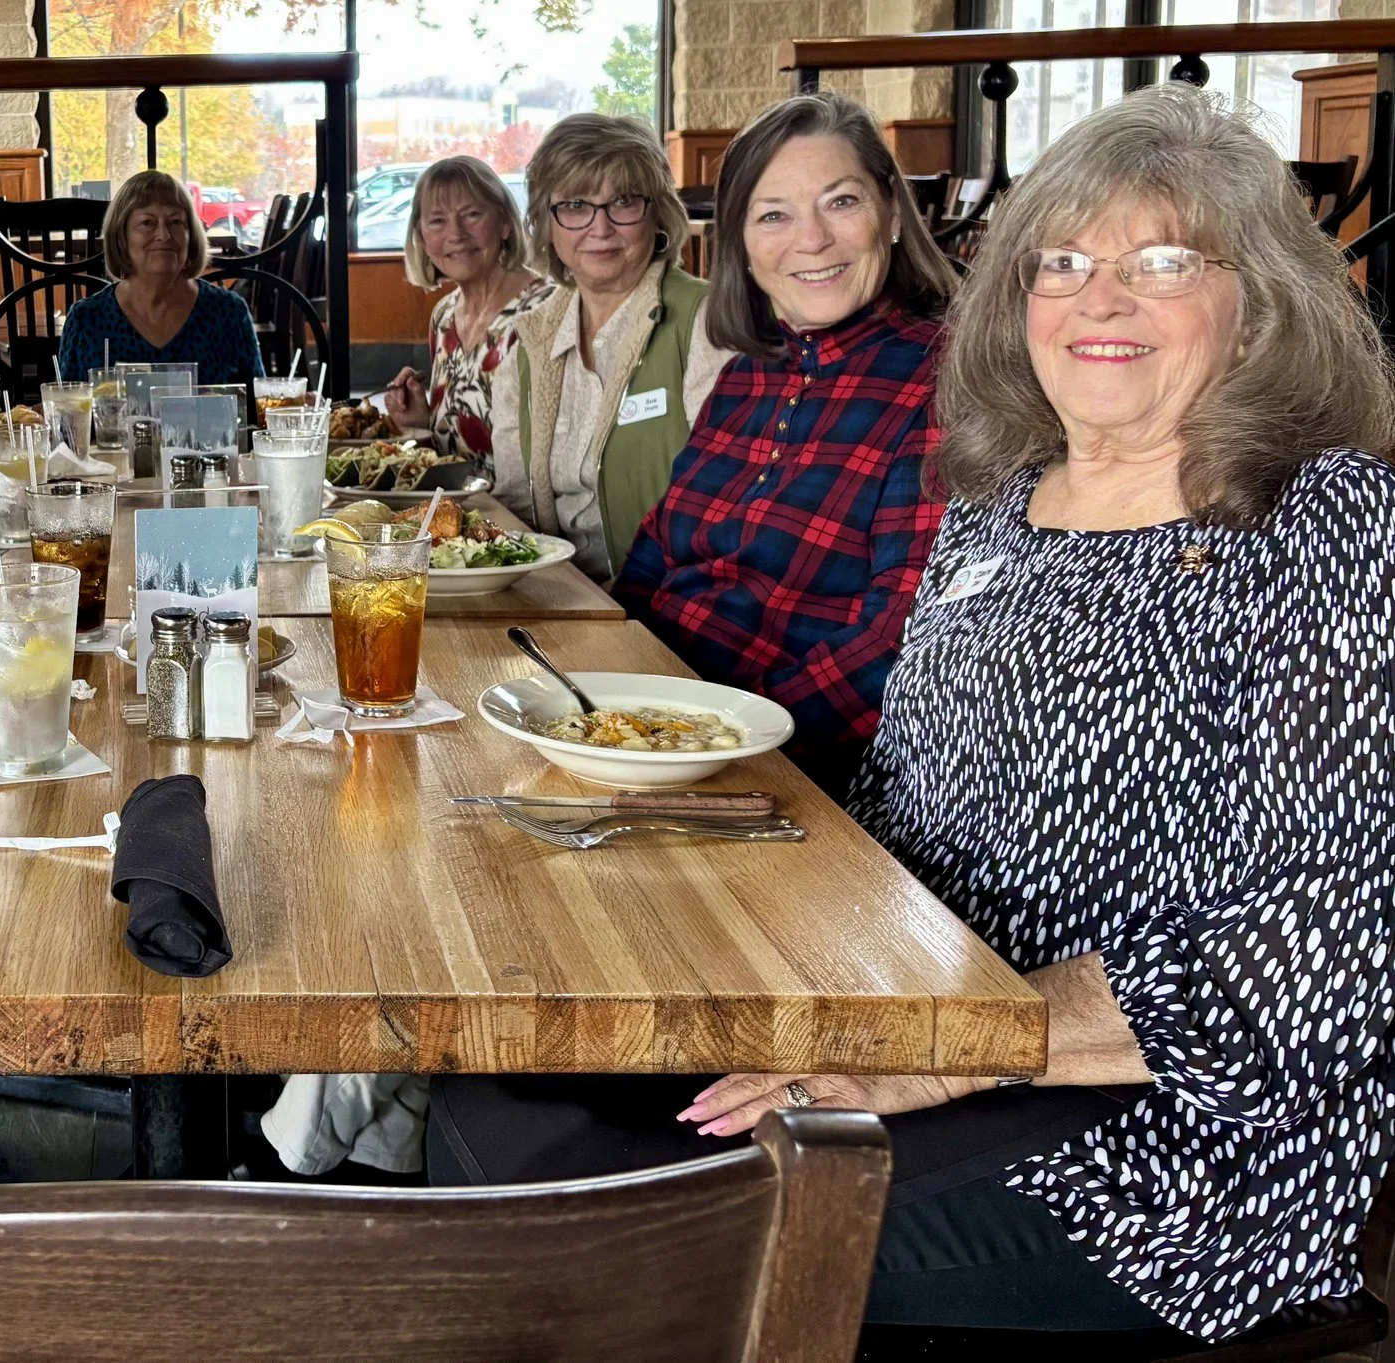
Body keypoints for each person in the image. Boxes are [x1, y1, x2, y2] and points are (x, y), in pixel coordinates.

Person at [435, 85, 1395, 1345]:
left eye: (1163, 263)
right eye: (1063, 262)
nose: (1101, 300)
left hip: (1154, 1152)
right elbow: (899, 802)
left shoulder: (1323, 525)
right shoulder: (999, 504)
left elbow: (1321, 947)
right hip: (920, 1009)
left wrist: (932, 1054)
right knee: (499, 1102)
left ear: (1257, 302)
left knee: (587, 1235)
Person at [612, 92, 957, 790]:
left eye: (841, 202)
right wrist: (602, 680)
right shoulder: (747, 372)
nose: (812, 239)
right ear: (741, 242)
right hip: (653, 725)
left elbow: (899, 639)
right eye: (774, 214)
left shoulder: (942, 381)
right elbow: (654, 558)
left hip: (777, 766)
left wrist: (724, 744)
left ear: (892, 212)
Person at [487, 115, 733, 581]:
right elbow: (515, 502)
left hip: (664, 601)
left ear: (657, 213)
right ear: (547, 223)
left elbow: (724, 505)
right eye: (576, 205)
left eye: (623, 202)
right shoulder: (531, 342)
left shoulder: (705, 322)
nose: (600, 227)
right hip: (556, 594)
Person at [379, 155, 555, 465]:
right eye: (438, 221)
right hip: (454, 496)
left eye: (472, 215)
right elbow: (451, 454)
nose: (456, 234)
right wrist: (421, 423)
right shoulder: (443, 316)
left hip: (522, 498)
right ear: (421, 236)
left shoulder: (546, 310)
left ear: (504, 223)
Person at [57, 170, 265, 386]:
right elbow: (68, 404)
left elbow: (256, 402)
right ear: (121, 236)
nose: (164, 235)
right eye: (148, 222)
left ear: (191, 235)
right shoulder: (86, 320)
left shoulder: (229, 313)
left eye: (176, 222)